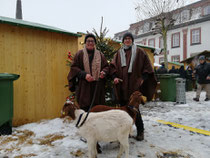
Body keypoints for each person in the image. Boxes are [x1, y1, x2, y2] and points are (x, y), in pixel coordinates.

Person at [110, 32, 157, 141]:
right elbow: (112, 67)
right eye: (125, 39)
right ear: (123, 41)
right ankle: (125, 132)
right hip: (122, 86)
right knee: (123, 111)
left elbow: (147, 67)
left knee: (135, 110)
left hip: (134, 86)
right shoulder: (118, 54)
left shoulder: (140, 52)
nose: (127, 40)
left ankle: (140, 131)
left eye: (129, 38)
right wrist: (114, 77)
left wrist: (142, 79)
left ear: (132, 40)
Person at [67, 34, 109, 111]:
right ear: (85, 42)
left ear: (95, 43)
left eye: (92, 41)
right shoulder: (79, 54)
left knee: (97, 110)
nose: (90, 43)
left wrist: (104, 72)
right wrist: (84, 75)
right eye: (88, 41)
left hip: (97, 88)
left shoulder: (100, 55)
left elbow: (106, 66)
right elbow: (74, 68)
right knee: (84, 111)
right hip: (84, 88)